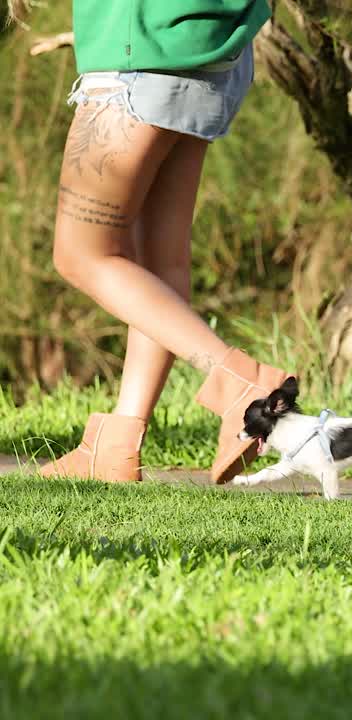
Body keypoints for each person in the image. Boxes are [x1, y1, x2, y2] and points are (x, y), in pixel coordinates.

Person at [24, 0, 293, 485]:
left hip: (140, 48)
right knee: (159, 263)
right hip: (211, 46)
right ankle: (116, 446)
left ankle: (239, 383)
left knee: (81, 254)